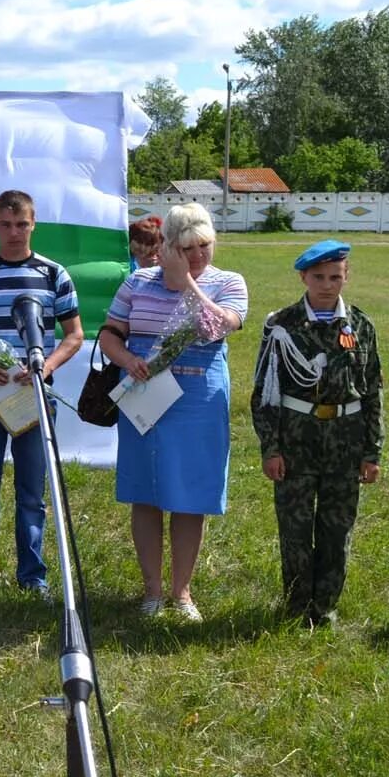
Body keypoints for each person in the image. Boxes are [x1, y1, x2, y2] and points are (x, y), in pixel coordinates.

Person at [98, 202, 246, 621]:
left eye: (205, 245)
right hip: (144, 395)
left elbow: (218, 326)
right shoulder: (137, 282)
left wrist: (187, 284)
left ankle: (182, 593)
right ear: (167, 246)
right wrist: (127, 360)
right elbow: (110, 334)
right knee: (144, 493)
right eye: (187, 248)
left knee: (190, 495)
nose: (198, 255)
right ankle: (151, 591)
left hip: (198, 398)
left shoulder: (228, 282)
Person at [0, 189, 83, 597]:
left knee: (32, 492)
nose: (14, 233)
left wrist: (47, 366)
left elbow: (74, 335)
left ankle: (33, 577)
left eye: (21, 224)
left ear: (33, 223)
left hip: (34, 395)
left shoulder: (53, 274)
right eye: (6, 225)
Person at [251, 240, 384, 627]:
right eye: (319, 277)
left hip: (347, 442)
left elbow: (373, 390)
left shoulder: (360, 325)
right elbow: (264, 393)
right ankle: (295, 609)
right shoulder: (281, 325)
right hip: (296, 442)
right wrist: (270, 448)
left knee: (335, 531)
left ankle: (324, 609)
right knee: (294, 531)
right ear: (303, 277)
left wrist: (372, 452)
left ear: (346, 276)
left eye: (335, 277)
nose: (327, 286)